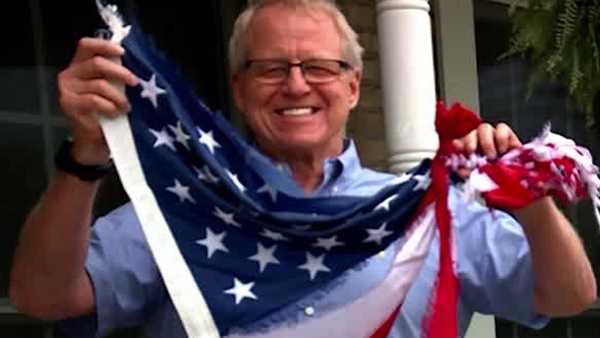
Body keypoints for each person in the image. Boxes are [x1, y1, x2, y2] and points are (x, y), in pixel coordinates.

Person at [9, 0, 597, 337]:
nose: (295, 84)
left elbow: (568, 295)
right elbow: (42, 298)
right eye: (270, 68)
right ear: (239, 89)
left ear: (352, 84)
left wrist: (530, 198)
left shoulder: (435, 211)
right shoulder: (180, 213)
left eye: (318, 66)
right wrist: (84, 158)